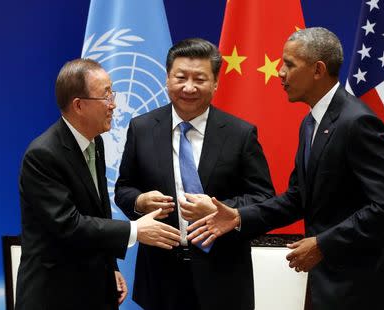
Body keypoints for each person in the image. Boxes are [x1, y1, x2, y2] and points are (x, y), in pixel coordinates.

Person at [186, 28, 384, 310]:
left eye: (289, 64)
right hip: (329, 282)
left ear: (318, 70)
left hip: (365, 283)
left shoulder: (357, 122)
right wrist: (239, 217)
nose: (280, 72)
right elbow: (298, 197)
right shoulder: (311, 122)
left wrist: (323, 244)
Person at [114, 38, 275, 310]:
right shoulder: (141, 129)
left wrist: (218, 210)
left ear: (215, 84)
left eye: (199, 79)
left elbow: (264, 198)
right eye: (180, 77)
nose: (189, 87)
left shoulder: (240, 134)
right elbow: (124, 188)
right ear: (167, 80)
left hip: (223, 274)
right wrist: (139, 202)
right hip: (161, 275)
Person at [15, 59, 181, 310]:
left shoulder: (95, 142)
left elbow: (97, 210)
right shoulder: (43, 155)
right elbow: (68, 224)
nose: (113, 104)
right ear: (79, 105)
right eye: (105, 96)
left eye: (112, 93)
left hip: (95, 287)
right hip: (55, 294)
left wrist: (110, 267)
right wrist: (134, 231)